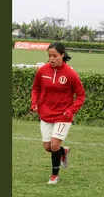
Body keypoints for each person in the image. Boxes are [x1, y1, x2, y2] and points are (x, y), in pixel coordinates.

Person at [30, 42, 86, 184]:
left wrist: (71, 110)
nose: (51, 59)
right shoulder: (42, 71)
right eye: (49, 56)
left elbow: (81, 95)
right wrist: (34, 102)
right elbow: (35, 89)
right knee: (48, 147)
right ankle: (64, 152)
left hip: (63, 116)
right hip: (46, 114)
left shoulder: (70, 73)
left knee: (54, 146)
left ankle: (54, 175)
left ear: (62, 55)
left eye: (55, 56)